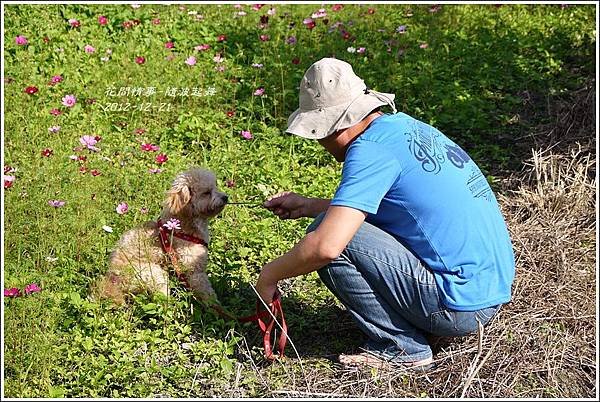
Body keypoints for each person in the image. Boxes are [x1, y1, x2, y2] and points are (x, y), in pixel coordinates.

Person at [256, 58, 515, 370]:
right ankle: (420, 324)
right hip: (489, 289)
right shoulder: (403, 128)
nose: (320, 143)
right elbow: (396, 205)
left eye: (318, 133)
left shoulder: (369, 151)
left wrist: (269, 275)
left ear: (334, 125)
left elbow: (327, 246)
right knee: (333, 223)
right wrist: (310, 204)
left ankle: (402, 347)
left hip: (460, 305)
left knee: (330, 234)